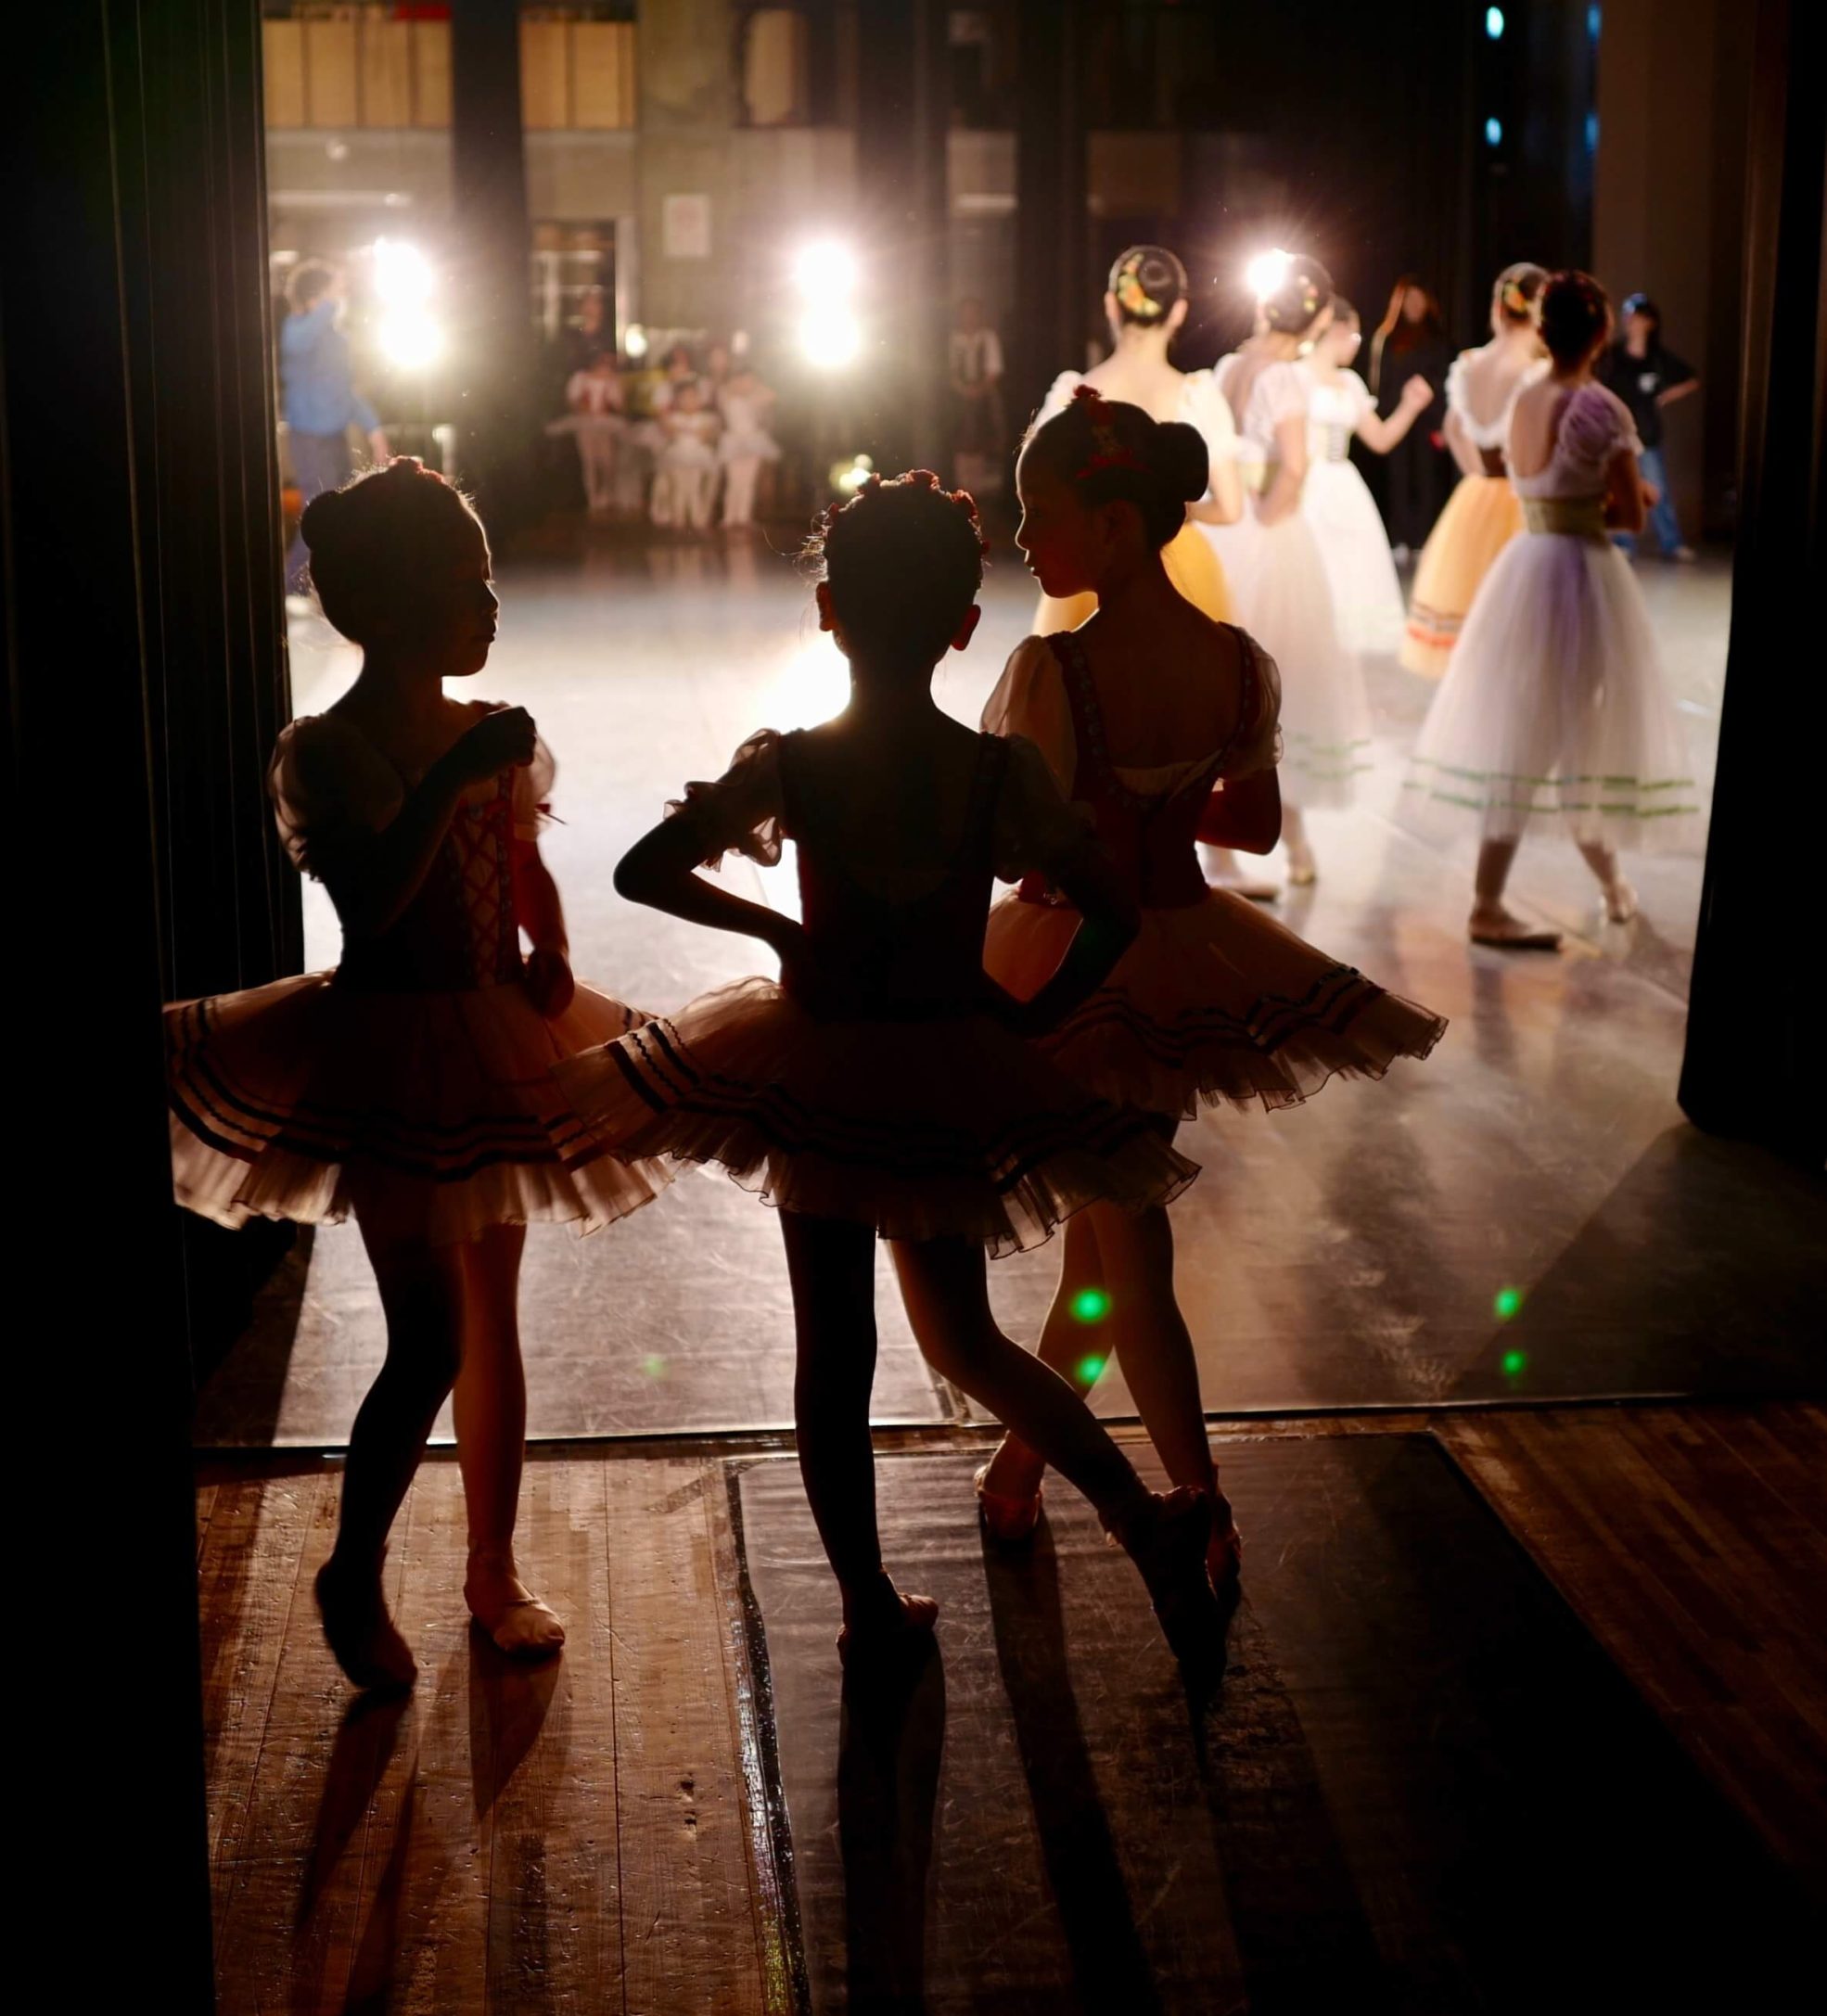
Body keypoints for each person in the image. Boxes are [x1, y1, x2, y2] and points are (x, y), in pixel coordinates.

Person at [561, 471, 1222, 1664]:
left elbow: (641, 869)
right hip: (940, 1067)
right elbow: (1113, 912)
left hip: (814, 1072)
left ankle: (867, 1605)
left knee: (836, 1354)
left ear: (827, 609)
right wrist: (1029, 1017)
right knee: (966, 1340)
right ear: (965, 626)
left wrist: (776, 933)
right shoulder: (989, 776)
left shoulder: (798, 766)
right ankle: (1140, 1522)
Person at [165, 461, 670, 1688]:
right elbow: (377, 906)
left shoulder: (486, 736)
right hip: (389, 1049)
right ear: (391, 608)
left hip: (493, 1040)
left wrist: (547, 948)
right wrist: (449, 780)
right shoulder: (330, 754)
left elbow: (515, 853)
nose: (491, 606)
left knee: (490, 1320)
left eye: (490, 580)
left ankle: (491, 1568)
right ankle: (353, 1564)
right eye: (466, 582)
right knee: (428, 1338)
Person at [976, 390, 1447, 1577]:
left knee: (1127, 1255)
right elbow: (1255, 819)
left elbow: (1020, 847)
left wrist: (1095, 812)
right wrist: (1167, 799)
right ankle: (1020, 1471)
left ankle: (1199, 1508)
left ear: (1118, 526)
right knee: (1103, 1249)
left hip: (1077, 961)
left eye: (1043, 516)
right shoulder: (1237, 667)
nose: (1025, 541)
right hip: (1183, 955)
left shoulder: (1055, 671)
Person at [1408, 272, 1700, 948]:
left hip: (1526, 563)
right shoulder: (1599, 407)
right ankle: (1501, 901)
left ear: (1544, 332)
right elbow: (1626, 513)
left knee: (1538, 728)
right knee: (1569, 734)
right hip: (1579, 569)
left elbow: (1524, 477)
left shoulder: (1525, 399)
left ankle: (1601, 885)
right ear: (1599, 334)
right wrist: (1631, 502)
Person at [1209, 252, 1367, 891]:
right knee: (1280, 693)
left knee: (1236, 692)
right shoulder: (1287, 377)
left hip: (1226, 531)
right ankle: (1285, 846)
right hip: (1271, 538)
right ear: (1317, 316)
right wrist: (1270, 521)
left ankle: (1247, 846)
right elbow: (1296, 466)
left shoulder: (1229, 365)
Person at [1031, 247, 1242, 640]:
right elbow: (1231, 508)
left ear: (1112, 305)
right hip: (1177, 565)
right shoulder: (1197, 395)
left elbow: (1037, 486)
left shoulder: (1070, 394)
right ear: (1178, 311)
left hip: (1091, 564)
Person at [1399, 263, 1548, 680]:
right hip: (1521, 500)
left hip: (1478, 496)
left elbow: (1453, 427)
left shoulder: (1469, 364)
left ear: (1498, 308)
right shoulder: (1535, 372)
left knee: (1476, 603)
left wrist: (1477, 475)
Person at [1302, 299, 1434, 652]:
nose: (1357, 343)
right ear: (1337, 330)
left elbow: (1380, 438)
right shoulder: (1294, 375)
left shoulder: (1350, 383)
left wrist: (1410, 406)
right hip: (1303, 482)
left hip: (1343, 485)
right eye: (1355, 334)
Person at [279, 260, 389, 603]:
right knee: (319, 510)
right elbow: (299, 342)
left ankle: (330, 583)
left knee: (344, 507)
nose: (339, 300)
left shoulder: (337, 341)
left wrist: (375, 430)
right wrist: (329, 295)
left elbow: (346, 392)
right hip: (308, 435)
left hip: (334, 435)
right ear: (316, 297)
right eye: (331, 294)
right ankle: (293, 585)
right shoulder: (296, 329)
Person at [1597, 295, 1700, 560]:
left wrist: (1666, 396)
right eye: (1628, 317)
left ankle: (1671, 542)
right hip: (1619, 435)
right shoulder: (1614, 356)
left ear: (1650, 322)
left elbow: (1691, 378)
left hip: (1648, 435)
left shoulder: (1657, 358)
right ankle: (1623, 543)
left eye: (1638, 317)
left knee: (1658, 490)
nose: (1631, 322)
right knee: (1621, 489)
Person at [1366, 277, 1453, 558]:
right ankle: (1401, 538)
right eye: (1409, 299)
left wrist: (1439, 419)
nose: (1414, 305)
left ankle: (1424, 539)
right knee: (1398, 479)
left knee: (1427, 479)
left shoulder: (1439, 339)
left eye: (1419, 299)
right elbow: (1382, 383)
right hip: (1396, 420)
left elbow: (1445, 381)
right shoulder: (1388, 338)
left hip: (1428, 421)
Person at [948, 297, 1007, 494]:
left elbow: (994, 370)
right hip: (959, 397)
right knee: (961, 439)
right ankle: (962, 487)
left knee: (983, 439)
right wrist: (963, 390)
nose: (969, 318)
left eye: (973, 313)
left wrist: (978, 390)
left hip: (984, 396)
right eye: (966, 313)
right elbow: (951, 371)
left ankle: (983, 490)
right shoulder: (954, 339)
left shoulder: (987, 338)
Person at [717, 357, 781, 530]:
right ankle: (729, 517)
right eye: (742, 378)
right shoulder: (726, 395)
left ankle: (744, 517)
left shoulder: (756, 397)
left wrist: (754, 386)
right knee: (734, 481)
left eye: (750, 379)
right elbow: (723, 396)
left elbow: (772, 396)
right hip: (733, 440)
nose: (746, 383)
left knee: (748, 482)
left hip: (753, 440)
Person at [651, 378, 722, 530]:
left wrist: (696, 430)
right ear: (677, 400)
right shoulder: (674, 418)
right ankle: (679, 520)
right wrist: (667, 423)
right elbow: (668, 432)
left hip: (698, 456)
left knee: (694, 487)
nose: (689, 401)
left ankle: (698, 520)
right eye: (684, 398)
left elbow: (707, 436)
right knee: (679, 488)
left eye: (693, 397)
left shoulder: (706, 418)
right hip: (677, 456)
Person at [564, 348, 626, 517]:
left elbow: (619, 405)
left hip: (605, 424)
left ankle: (607, 494)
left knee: (607, 460)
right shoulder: (580, 379)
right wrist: (584, 408)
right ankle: (592, 498)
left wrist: (613, 386)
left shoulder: (612, 382)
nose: (605, 367)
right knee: (589, 461)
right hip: (585, 423)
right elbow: (573, 402)